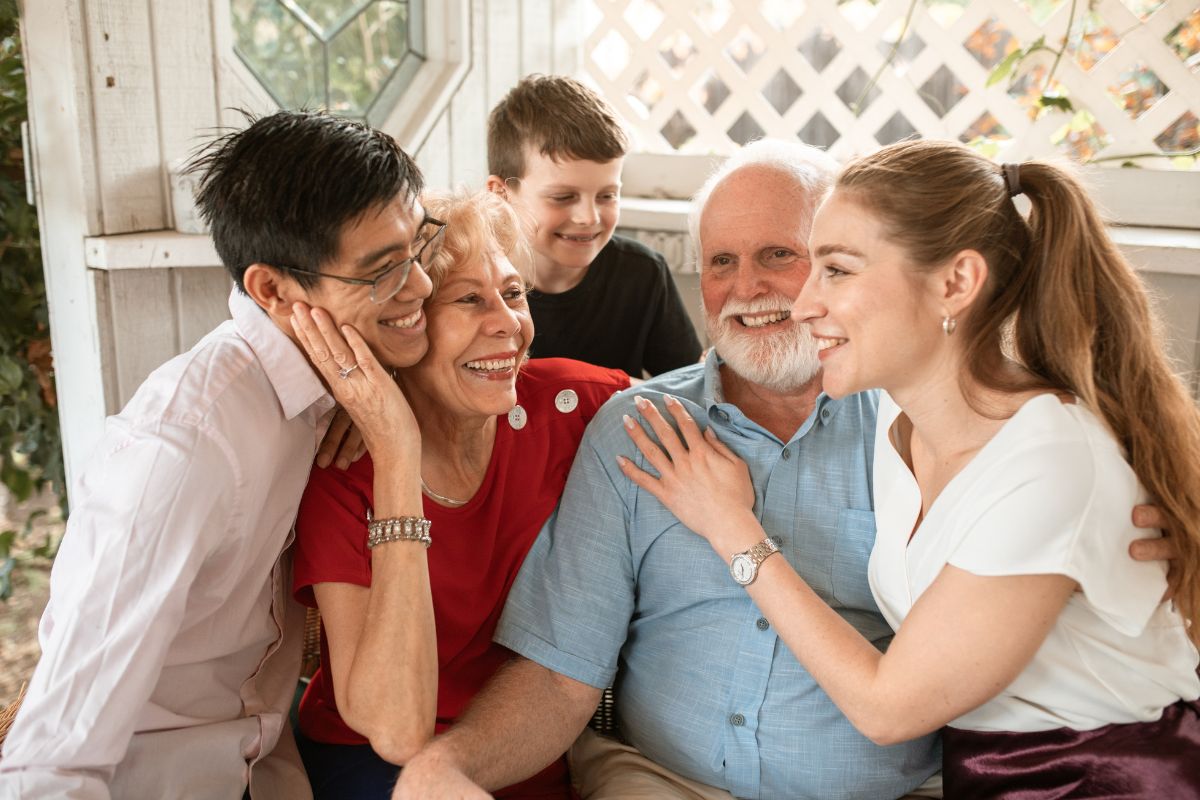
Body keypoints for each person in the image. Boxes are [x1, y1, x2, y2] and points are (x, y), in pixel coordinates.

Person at [389, 139, 1182, 800]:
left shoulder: (930, 427)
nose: (759, 292)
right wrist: (451, 762)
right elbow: (563, 673)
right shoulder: (641, 426)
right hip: (661, 780)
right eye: (721, 262)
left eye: (793, 259)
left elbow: (896, 700)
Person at [620, 139, 1200, 797]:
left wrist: (732, 528)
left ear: (956, 283)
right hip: (988, 778)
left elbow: (887, 709)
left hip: (1108, 781)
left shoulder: (1047, 462)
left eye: (835, 270)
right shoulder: (899, 423)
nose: (805, 303)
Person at [0, 110, 439, 798]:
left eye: (419, 249)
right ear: (271, 290)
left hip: (271, 768)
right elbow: (52, 762)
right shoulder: (179, 453)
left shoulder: (340, 383)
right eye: (383, 272)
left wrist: (400, 402)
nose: (422, 288)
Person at [289, 189, 631, 800]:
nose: (508, 323)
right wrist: (397, 450)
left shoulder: (570, 406)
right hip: (372, 769)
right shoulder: (343, 471)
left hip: (516, 754)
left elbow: (712, 397)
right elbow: (396, 731)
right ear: (405, 324)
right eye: (470, 299)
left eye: (514, 293)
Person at [485, 74, 701, 377]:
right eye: (563, 196)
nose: (589, 217)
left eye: (607, 195)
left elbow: (688, 387)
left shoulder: (643, 275)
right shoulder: (472, 283)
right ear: (501, 194)